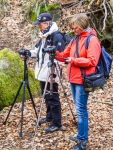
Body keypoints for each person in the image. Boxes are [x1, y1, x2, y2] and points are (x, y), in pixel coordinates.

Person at [55, 13, 101, 150]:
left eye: (75, 28)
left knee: (81, 110)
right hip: (73, 78)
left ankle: (82, 141)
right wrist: (55, 53)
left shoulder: (92, 40)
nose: (73, 30)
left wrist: (73, 60)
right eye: (72, 28)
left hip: (83, 79)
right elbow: (65, 54)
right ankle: (80, 135)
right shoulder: (76, 38)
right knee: (78, 108)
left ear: (82, 26)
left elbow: (92, 61)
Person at [29, 13, 66, 132]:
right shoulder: (44, 36)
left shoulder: (56, 36)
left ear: (47, 23)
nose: (39, 27)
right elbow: (38, 51)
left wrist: (55, 73)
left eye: (40, 24)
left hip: (51, 71)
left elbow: (61, 57)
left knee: (53, 96)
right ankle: (50, 116)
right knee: (46, 96)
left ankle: (57, 123)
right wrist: (28, 53)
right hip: (42, 71)